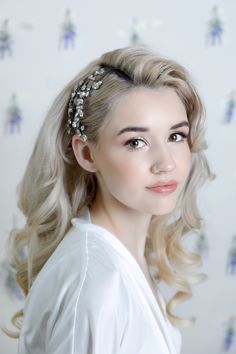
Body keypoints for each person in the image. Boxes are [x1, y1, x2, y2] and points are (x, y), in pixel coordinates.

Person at [3, 46, 215, 353]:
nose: (166, 163)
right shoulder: (94, 283)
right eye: (136, 142)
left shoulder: (118, 259)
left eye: (175, 136)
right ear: (87, 154)